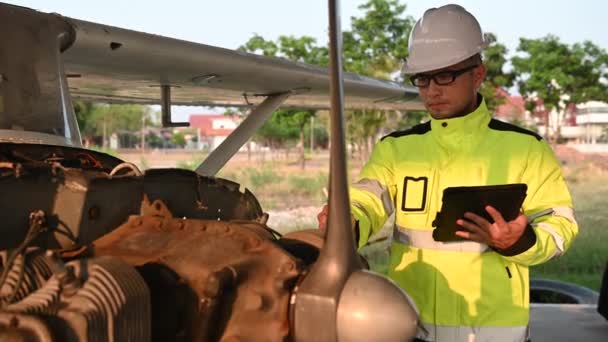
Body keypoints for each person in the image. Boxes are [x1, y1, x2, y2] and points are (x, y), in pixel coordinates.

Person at [317, 4, 578, 342]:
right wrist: (344, 222)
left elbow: (561, 224)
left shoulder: (525, 149)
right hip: (412, 327)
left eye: (445, 75)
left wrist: (521, 241)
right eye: (422, 79)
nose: (432, 90)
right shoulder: (396, 150)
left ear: (478, 74)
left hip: (495, 334)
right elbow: (366, 201)